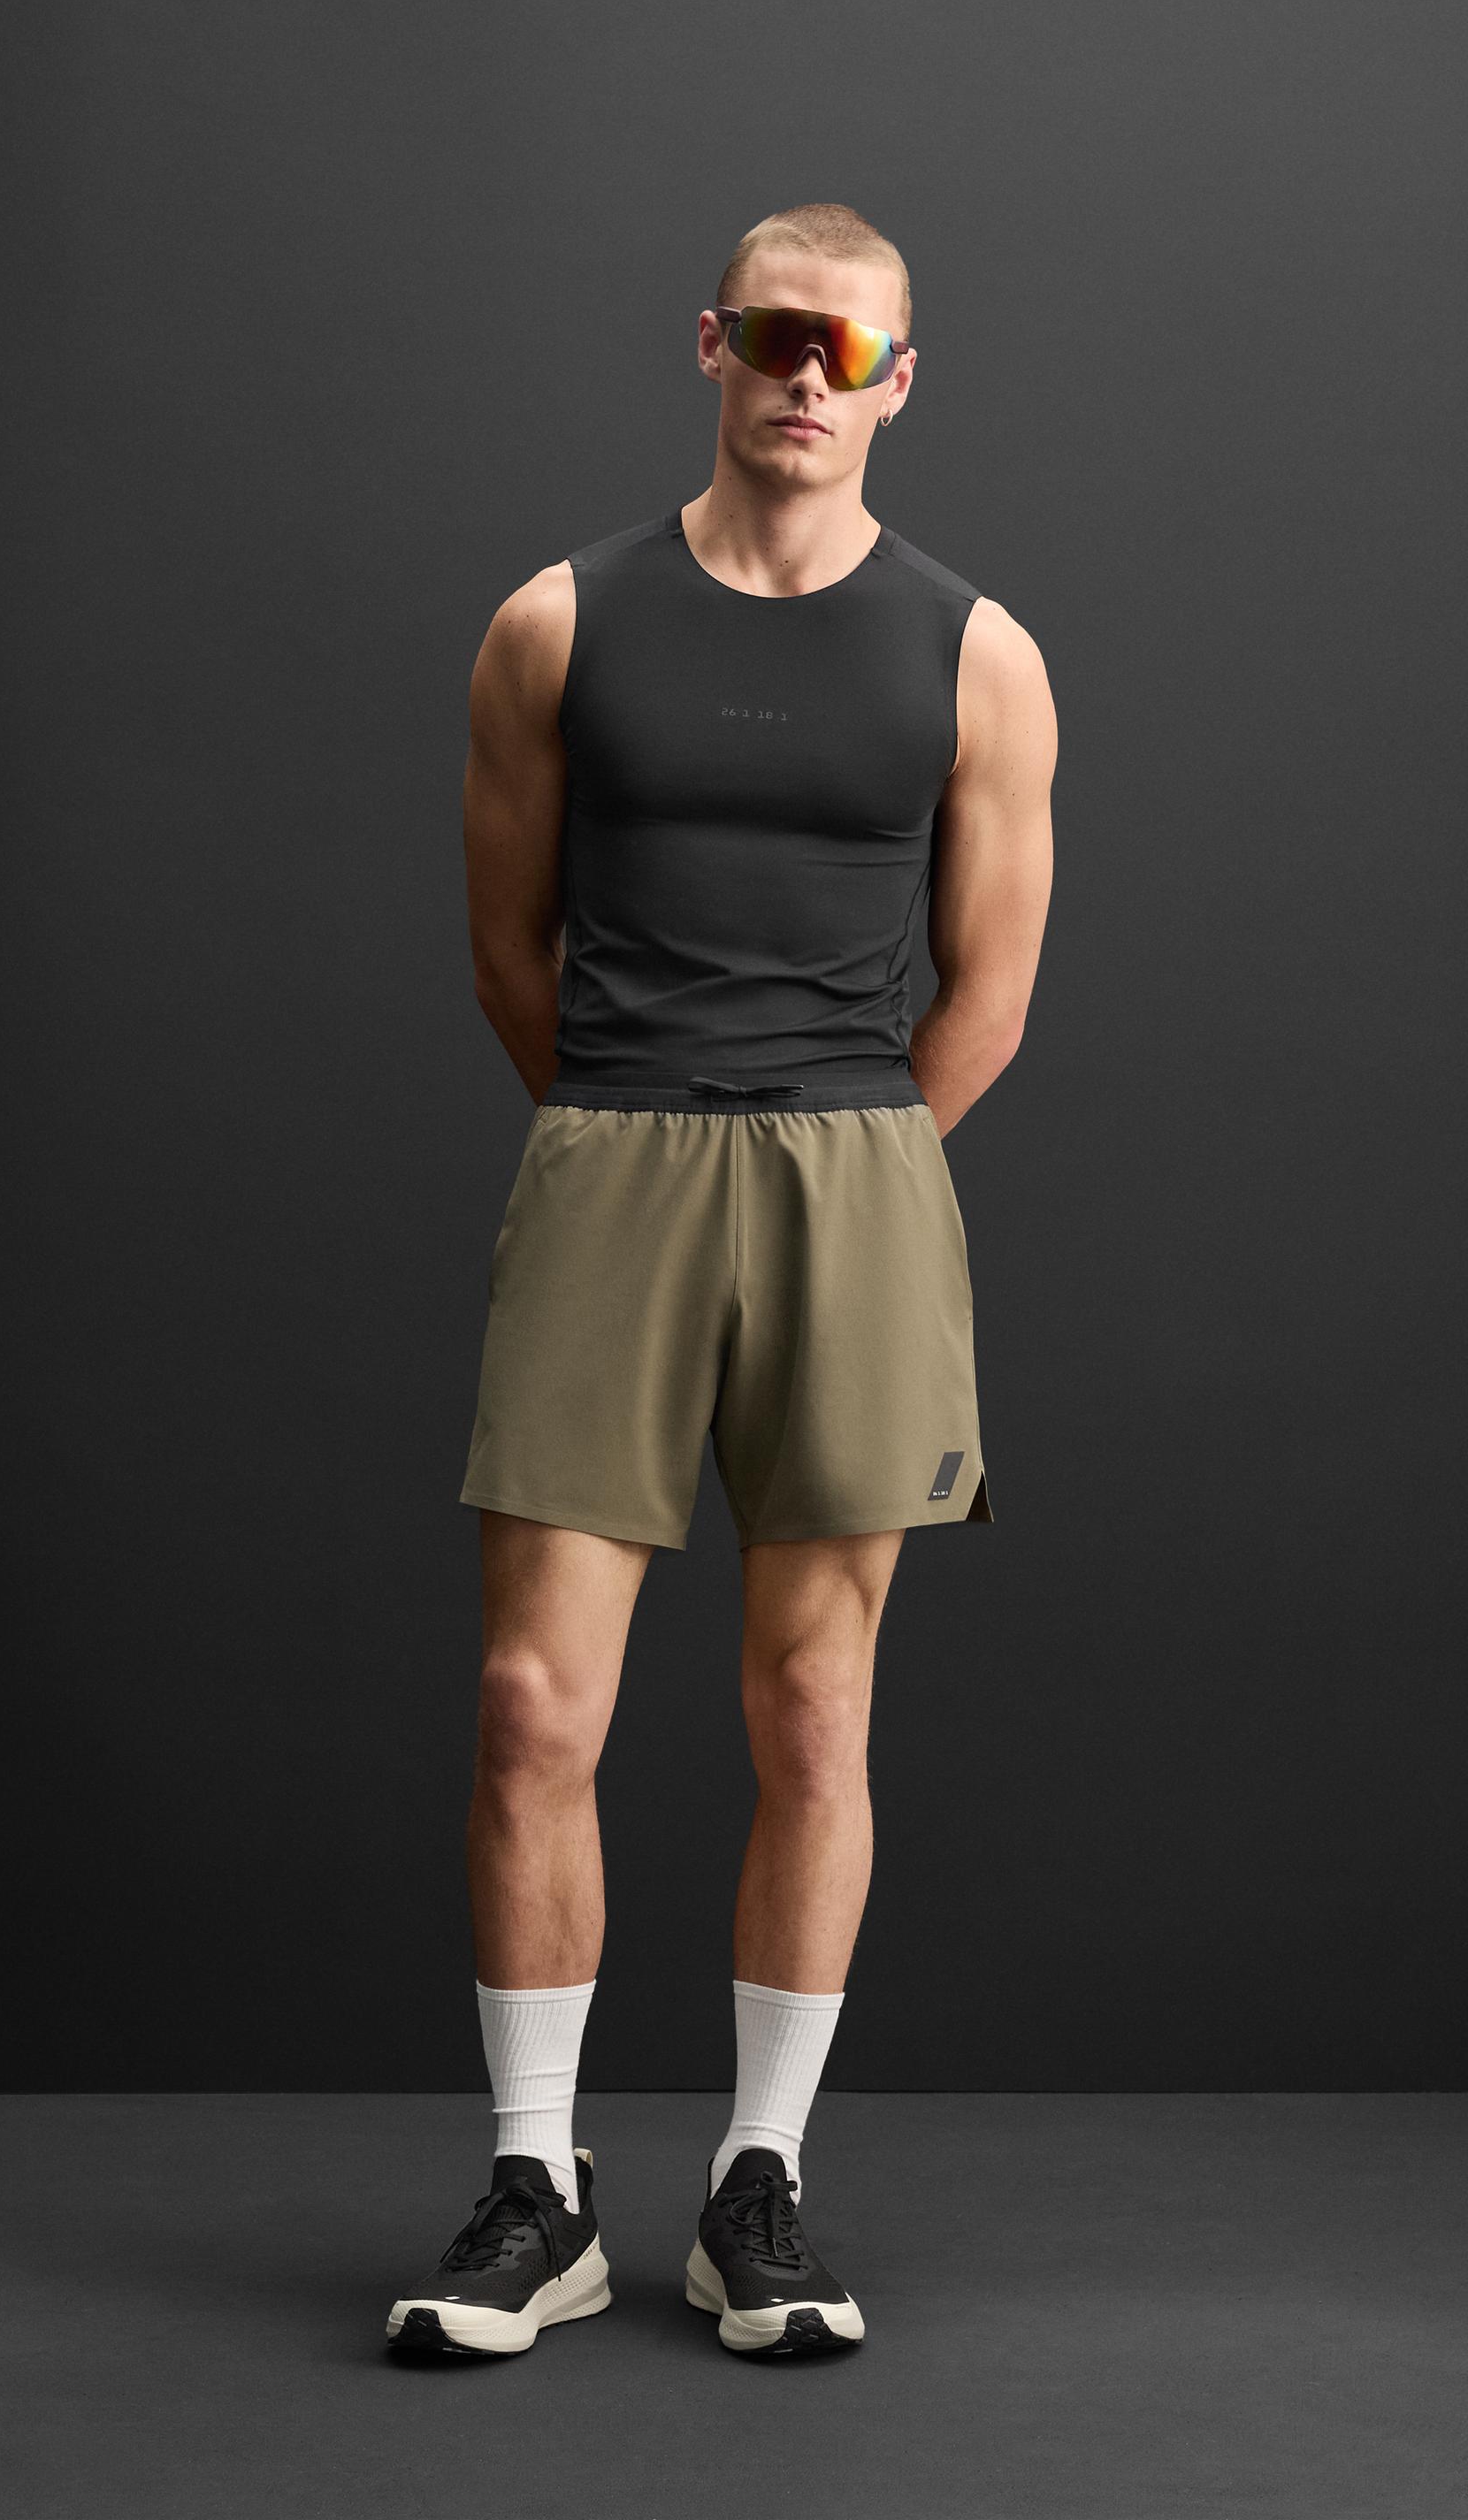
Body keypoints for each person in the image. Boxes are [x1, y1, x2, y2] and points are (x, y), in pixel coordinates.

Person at [386, 202, 1056, 2361]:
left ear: (900, 383)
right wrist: (638, 1139)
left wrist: (841, 1166)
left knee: (813, 1707)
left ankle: (757, 2189)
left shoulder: (975, 651)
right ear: (710, 344)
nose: (807, 381)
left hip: (858, 1168)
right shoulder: (555, 624)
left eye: (850, 354)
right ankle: (538, 2189)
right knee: (531, 1704)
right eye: (776, 338)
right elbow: (507, 957)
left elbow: (989, 992)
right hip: (617, 1148)